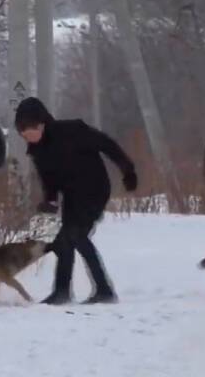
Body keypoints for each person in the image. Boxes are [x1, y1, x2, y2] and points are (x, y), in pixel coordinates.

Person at [15, 97, 137, 305]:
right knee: (66, 240)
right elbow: (49, 180)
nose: (28, 137)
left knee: (76, 235)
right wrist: (50, 201)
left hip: (95, 190)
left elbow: (107, 145)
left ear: (42, 123)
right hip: (72, 196)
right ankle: (62, 291)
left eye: (30, 131)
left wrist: (127, 169)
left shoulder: (74, 131)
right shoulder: (38, 151)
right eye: (23, 134)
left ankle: (104, 290)